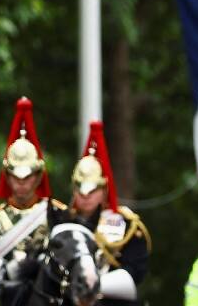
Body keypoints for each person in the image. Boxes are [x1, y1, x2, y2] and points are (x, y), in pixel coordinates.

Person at [0, 96, 67, 305]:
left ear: (38, 176)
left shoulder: (57, 213)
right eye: (16, 176)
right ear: (7, 177)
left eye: (28, 177)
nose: (22, 183)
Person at [66, 121, 149, 305]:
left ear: (104, 190)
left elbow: (136, 271)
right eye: (79, 189)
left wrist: (94, 285)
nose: (85, 195)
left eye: (92, 190)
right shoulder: (63, 223)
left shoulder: (126, 225)